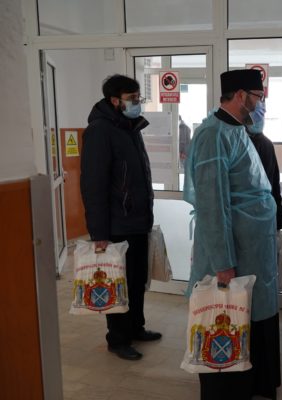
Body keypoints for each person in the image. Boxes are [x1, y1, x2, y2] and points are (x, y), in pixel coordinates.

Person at [183, 69, 280, 400]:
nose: (261, 104)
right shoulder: (213, 135)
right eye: (259, 97)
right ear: (241, 95)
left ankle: (252, 387)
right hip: (233, 252)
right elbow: (213, 205)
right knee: (226, 321)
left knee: (249, 321)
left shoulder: (237, 129)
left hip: (252, 248)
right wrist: (223, 262)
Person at [80, 74, 162, 361]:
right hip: (116, 226)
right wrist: (99, 233)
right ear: (115, 100)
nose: (137, 103)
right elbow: (93, 185)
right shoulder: (99, 131)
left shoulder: (130, 127)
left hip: (137, 222)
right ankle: (117, 339)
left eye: (139, 98)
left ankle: (136, 327)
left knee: (137, 281)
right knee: (118, 284)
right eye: (132, 99)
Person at [245, 101, 282, 230]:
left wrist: (278, 223)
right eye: (255, 117)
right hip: (246, 215)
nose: (258, 120)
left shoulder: (267, 145)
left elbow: (275, 182)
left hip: (263, 212)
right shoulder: (240, 142)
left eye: (260, 116)